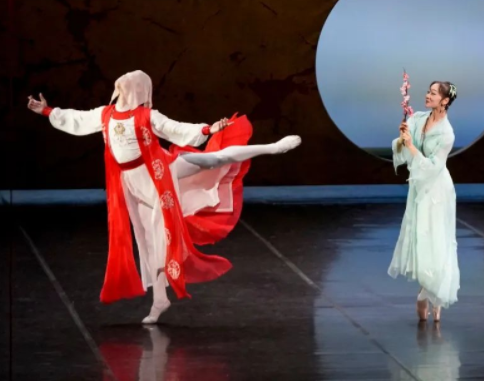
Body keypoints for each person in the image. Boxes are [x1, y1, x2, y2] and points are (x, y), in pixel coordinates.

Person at [27, 70, 301, 323]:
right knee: (148, 242)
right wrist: (47, 110)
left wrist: (208, 130)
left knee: (212, 161)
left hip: (160, 174)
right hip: (132, 184)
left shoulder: (148, 116)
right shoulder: (106, 114)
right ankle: (160, 299)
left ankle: (271, 147)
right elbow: (78, 119)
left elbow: (176, 128)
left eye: (125, 86)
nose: (120, 89)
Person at [388, 80, 460, 322]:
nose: (428, 95)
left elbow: (432, 167)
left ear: (445, 101)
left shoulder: (447, 133)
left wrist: (410, 146)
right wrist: (403, 139)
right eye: (428, 91)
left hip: (437, 189)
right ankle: (427, 289)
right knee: (420, 237)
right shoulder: (418, 118)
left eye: (433, 93)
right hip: (419, 187)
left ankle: (432, 293)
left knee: (436, 240)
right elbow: (402, 146)